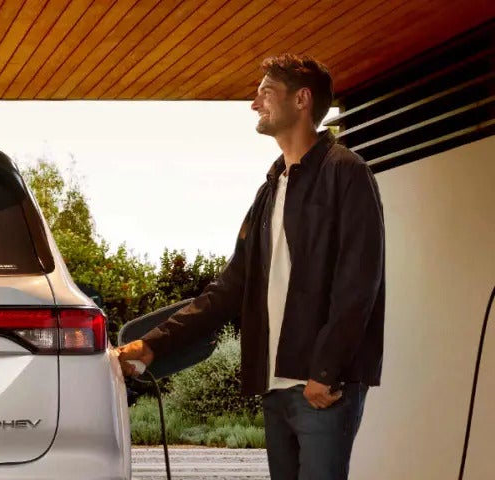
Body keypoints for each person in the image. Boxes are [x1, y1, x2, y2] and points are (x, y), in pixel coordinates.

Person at [116, 54, 386, 480]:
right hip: (275, 389)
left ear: (301, 100)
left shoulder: (346, 173)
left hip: (322, 389)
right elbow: (228, 290)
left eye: (265, 92)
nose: (254, 103)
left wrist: (326, 369)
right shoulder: (271, 188)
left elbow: (359, 282)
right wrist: (154, 345)